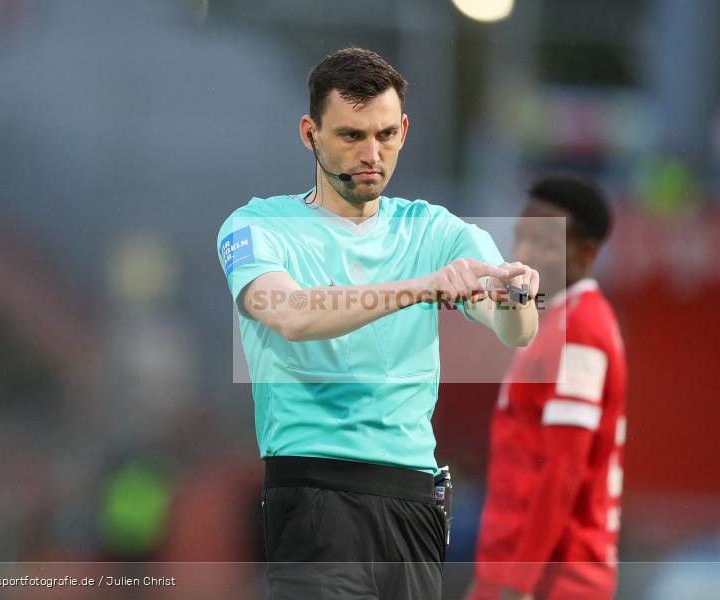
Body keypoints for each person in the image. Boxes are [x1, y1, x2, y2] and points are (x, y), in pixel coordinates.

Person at [216, 47, 540, 599]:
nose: (372, 154)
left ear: (405, 129)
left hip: (413, 499)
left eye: (386, 135)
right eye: (351, 136)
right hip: (315, 492)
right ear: (309, 134)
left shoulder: (434, 228)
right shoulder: (256, 225)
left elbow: (515, 329)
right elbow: (292, 316)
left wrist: (515, 296)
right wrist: (422, 286)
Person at [467, 175, 628, 600]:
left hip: (555, 580)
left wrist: (517, 583)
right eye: (522, 236)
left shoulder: (582, 329)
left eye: (543, 242)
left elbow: (565, 468)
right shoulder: (552, 320)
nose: (523, 255)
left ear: (586, 252)